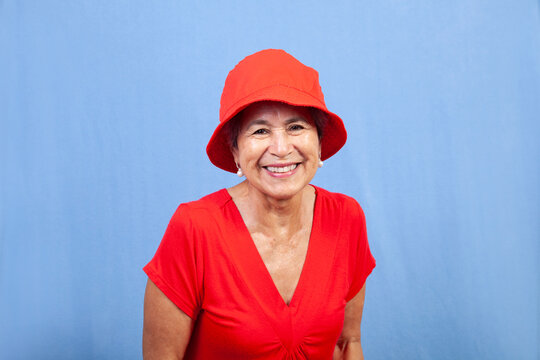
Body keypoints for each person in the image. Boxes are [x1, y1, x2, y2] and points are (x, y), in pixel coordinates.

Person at [142, 49, 376, 360]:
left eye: (296, 127)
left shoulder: (346, 218)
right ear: (235, 150)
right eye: (260, 130)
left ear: (319, 143)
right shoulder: (195, 228)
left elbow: (347, 344)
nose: (280, 148)